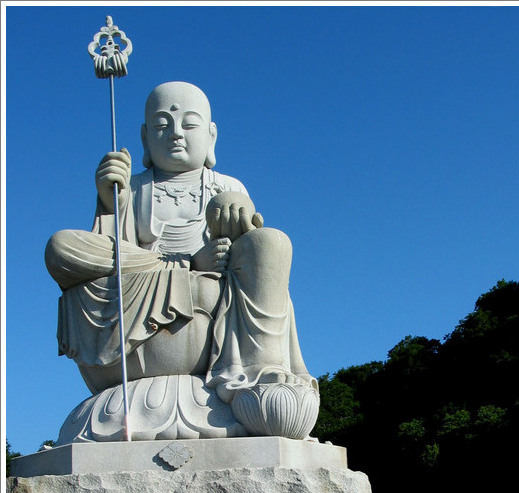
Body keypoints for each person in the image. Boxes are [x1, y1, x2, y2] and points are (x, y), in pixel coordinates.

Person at [45, 82, 319, 443]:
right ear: (145, 139)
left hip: (211, 294)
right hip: (154, 287)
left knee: (272, 242)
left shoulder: (225, 184)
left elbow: (246, 248)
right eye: (161, 126)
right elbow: (109, 256)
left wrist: (237, 209)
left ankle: (260, 373)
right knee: (61, 246)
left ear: (211, 136)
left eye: (189, 125)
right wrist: (110, 204)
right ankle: (182, 274)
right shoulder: (133, 188)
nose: (175, 134)